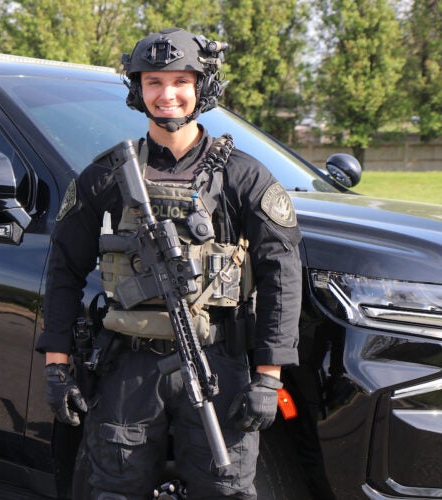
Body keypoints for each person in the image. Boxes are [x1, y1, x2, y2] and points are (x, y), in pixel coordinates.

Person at [36, 27, 302, 499]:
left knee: (225, 488)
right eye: (153, 82)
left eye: (181, 81)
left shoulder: (243, 176)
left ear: (202, 87)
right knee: (115, 488)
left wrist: (269, 376)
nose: (167, 95)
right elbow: (64, 269)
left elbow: (281, 275)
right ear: (138, 90)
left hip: (218, 361)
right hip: (128, 367)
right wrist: (57, 366)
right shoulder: (106, 175)